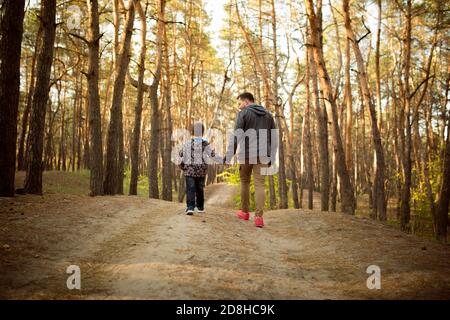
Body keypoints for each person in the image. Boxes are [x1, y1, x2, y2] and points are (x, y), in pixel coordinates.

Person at [224, 92, 278, 228]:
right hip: (264, 154)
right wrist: (272, 156)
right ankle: (259, 218)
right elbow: (274, 138)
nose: (239, 107)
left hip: (246, 154)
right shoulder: (268, 115)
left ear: (247, 102)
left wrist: (229, 154)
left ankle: (245, 212)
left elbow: (236, 135)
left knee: (245, 181)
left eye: (240, 103)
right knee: (260, 184)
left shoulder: (243, 114)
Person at [179, 122, 215, 215]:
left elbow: (181, 153)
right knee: (200, 188)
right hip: (201, 171)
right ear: (202, 132)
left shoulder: (187, 143)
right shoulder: (205, 144)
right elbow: (212, 155)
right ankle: (200, 207)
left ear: (192, 132)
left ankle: (190, 207)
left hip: (189, 171)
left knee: (190, 188)